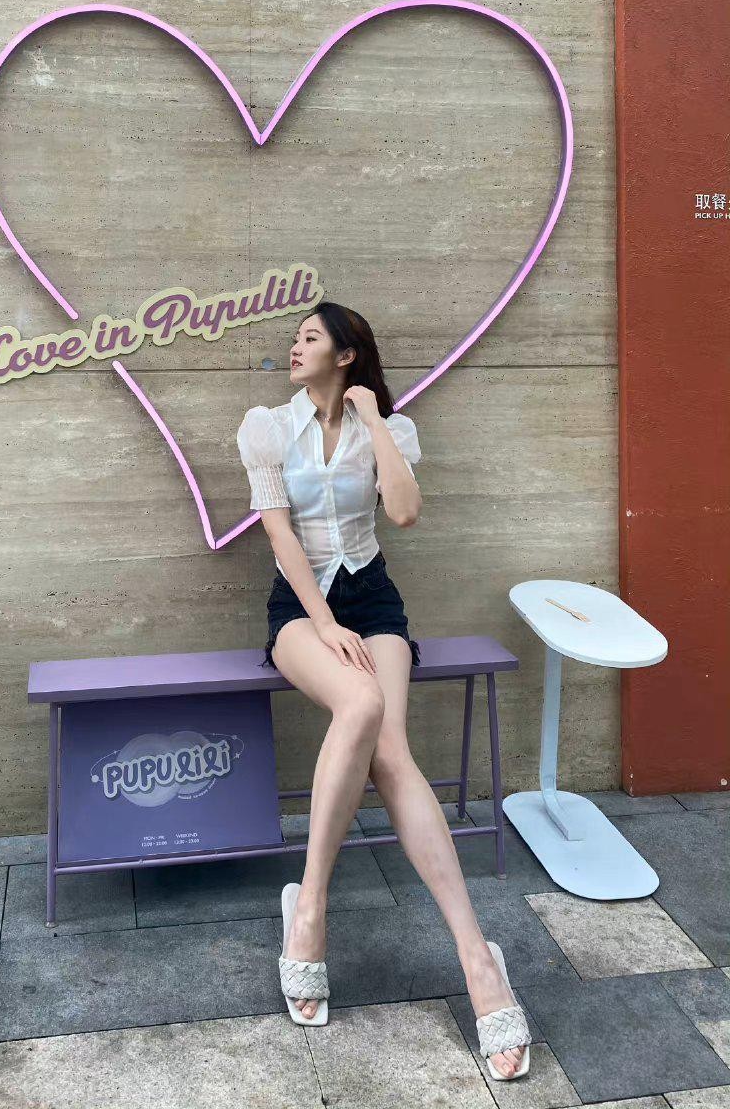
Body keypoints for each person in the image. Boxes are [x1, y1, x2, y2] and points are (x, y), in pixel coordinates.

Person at [236, 301, 530, 1080]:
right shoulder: (266, 427)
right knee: (362, 704)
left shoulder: (388, 429)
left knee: (391, 753)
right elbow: (278, 534)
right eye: (295, 338)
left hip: (376, 603)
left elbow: (402, 512)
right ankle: (312, 907)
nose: (293, 347)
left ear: (345, 355)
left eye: (308, 338)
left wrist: (372, 418)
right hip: (301, 609)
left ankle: (478, 959)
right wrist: (323, 622)